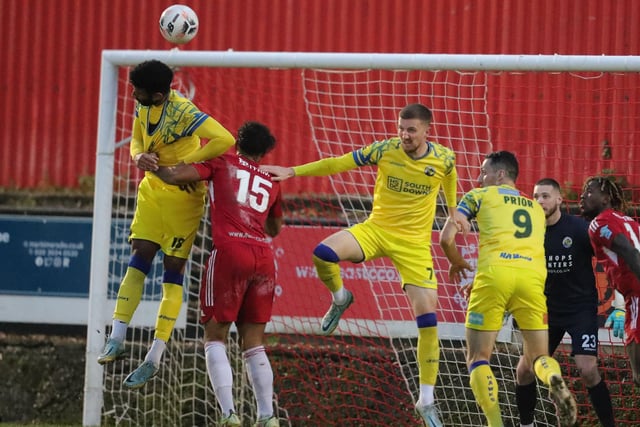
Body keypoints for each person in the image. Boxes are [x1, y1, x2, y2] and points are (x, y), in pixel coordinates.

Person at [262, 103, 457, 427]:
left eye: (411, 130)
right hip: (375, 229)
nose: (404, 135)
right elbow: (339, 163)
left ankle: (426, 400)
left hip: (414, 245)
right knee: (322, 253)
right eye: (401, 128)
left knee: (427, 318)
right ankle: (340, 298)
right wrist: (295, 171)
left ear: (427, 130)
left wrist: (452, 213)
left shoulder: (444, 158)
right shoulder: (384, 150)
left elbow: (449, 177)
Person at [96, 60, 235, 390]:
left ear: (158, 94)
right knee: (138, 257)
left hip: (182, 198)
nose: (133, 94)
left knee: (172, 274)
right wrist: (137, 156)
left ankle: (154, 357)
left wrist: (188, 165)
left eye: (138, 91)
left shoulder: (183, 111)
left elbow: (225, 138)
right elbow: (135, 140)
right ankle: (116, 337)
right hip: (151, 191)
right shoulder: (145, 107)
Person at [153, 121, 282, 427]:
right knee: (254, 342)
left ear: (236, 143)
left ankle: (229, 415)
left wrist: (151, 162)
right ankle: (267, 416)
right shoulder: (272, 180)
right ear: (264, 153)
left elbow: (175, 176)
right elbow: (274, 229)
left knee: (215, 337)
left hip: (229, 253)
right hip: (263, 258)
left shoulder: (222, 161)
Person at [439, 151, 578, 427]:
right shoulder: (536, 208)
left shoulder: (478, 195)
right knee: (539, 356)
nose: (479, 178)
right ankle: (552, 377)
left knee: (478, 357)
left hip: (494, 277)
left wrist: (456, 262)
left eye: (483, 171)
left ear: (500, 174)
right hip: (531, 280)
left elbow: (446, 238)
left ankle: (495, 423)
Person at [515, 178, 616, 427]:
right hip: (546, 312)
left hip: (580, 309)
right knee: (524, 371)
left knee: (588, 370)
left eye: (546, 196)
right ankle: (526, 424)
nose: (540, 201)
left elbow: (611, 259)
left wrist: (623, 302)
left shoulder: (580, 229)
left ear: (560, 199)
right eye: (536, 196)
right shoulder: (528, 233)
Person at [580, 175, 640, 388]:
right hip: (631, 296)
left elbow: (629, 252)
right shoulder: (629, 221)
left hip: (637, 296)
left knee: (638, 376)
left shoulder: (599, 223)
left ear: (605, 198)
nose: (582, 196)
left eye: (589, 191)